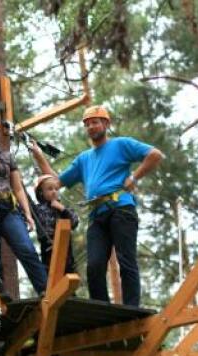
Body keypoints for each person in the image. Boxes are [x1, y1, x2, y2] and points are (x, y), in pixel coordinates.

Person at [30, 105, 164, 306]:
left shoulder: (121, 144)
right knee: (94, 266)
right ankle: (103, 307)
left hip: (121, 209)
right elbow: (56, 182)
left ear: (106, 124)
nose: (91, 127)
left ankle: (131, 308)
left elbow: (155, 155)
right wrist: (40, 156)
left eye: (95, 122)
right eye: (87, 124)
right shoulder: (84, 159)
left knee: (126, 261)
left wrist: (134, 178)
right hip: (97, 215)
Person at [0, 113, 48, 295]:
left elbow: (18, 188)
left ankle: (45, 290)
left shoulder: (7, 156)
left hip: (7, 208)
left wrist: (28, 214)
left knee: (26, 249)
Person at [32, 174, 79, 273]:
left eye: (56, 189)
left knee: (69, 273)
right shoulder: (38, 210)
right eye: (50, 189)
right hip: (49, 247)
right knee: (50, 274)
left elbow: (74, 223)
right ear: (41, 193)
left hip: (66, 248)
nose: (54, 191)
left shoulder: (64, 209)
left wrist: (62, 209)